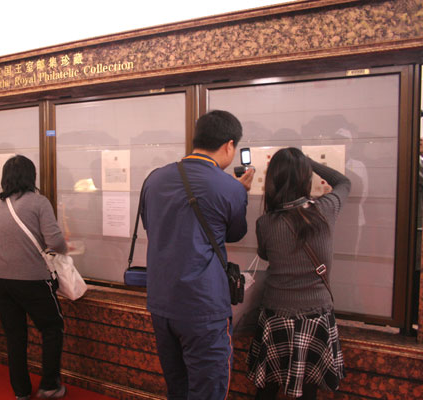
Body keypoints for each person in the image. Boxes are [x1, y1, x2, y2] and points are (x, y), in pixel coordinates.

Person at [141, 110, 254, 400]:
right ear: (229, 145)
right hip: (202, 305)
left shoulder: (154, 179)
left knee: (176, 386)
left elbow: (151, 225)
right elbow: (234, 233)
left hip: (162, 301)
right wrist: (241, 194)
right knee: (207, 390)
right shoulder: (229, 187)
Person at [247, 147, 350, 399]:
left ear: (273, 180)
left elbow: (265, 255)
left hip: (276, 314)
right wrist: (310, 162)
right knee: (307, 391)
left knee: (267, 387)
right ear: (306, 177)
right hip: (316, 315)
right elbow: (343, 181)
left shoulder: (266, 222)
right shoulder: (325, 210)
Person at [0, 155, 67, 400]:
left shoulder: (0, 205)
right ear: (31, 176)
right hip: (32, 279)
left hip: (0, 279)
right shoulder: (39, 202)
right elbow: (55, 241)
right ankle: (49, 386)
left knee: (15, 336)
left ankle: (21, 391)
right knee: (53, 327)